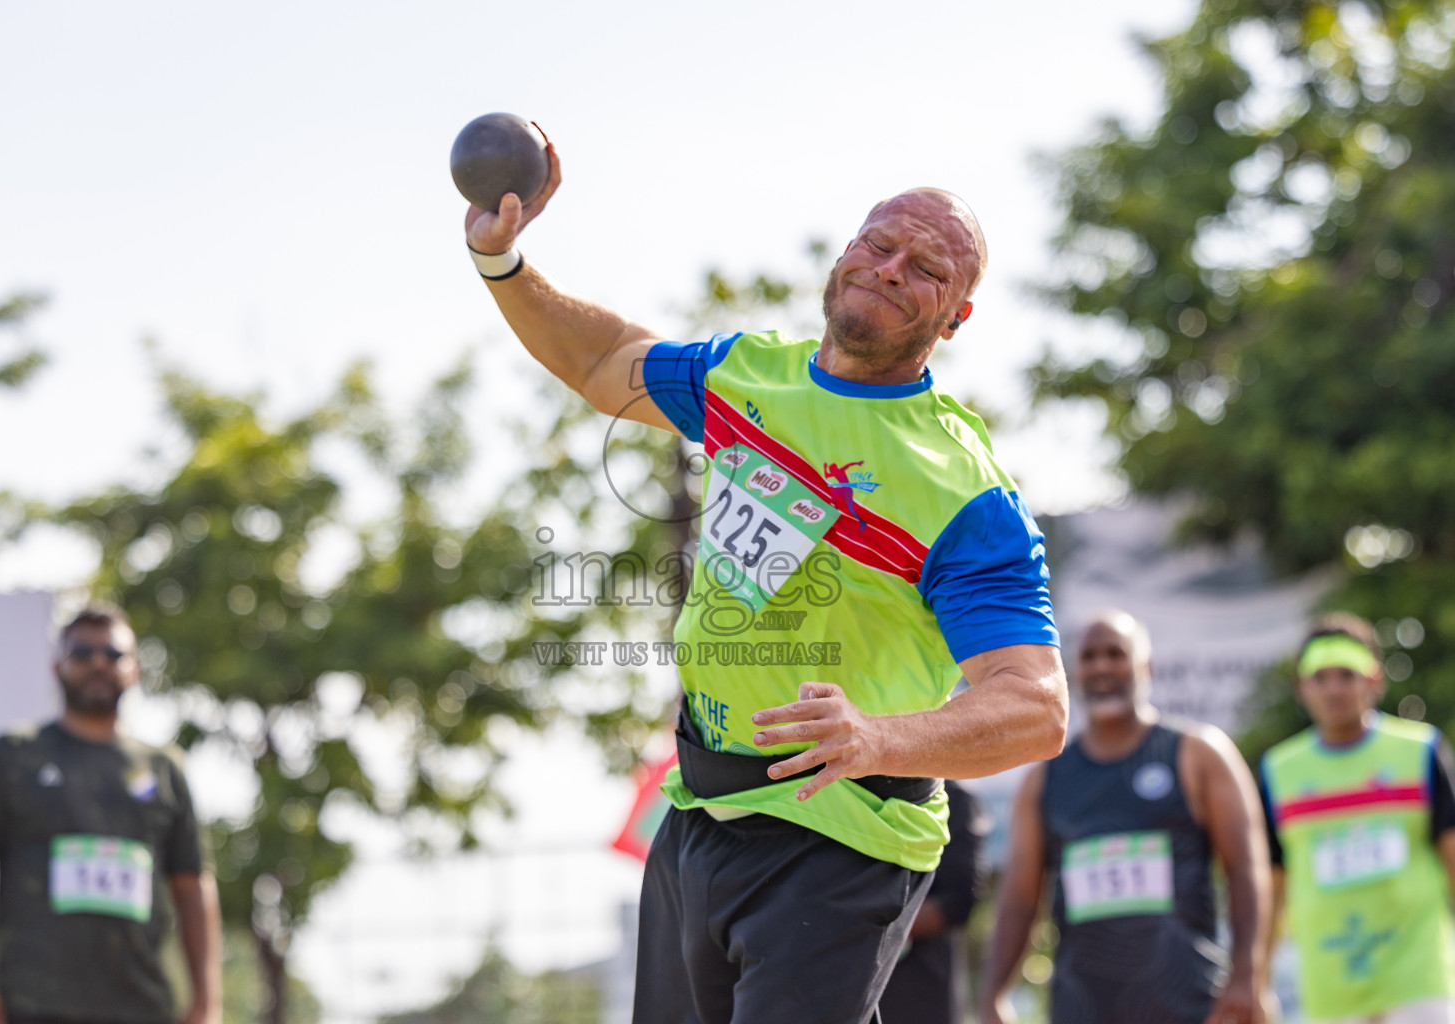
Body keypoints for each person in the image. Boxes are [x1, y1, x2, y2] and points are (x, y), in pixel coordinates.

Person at [464, 133, 1068, 1023]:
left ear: (955, 318)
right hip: (699, 813)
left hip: (842, 832)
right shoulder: (749, 377)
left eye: (927, 267)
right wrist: (501, 258)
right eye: (879, 242)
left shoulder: (964, 492)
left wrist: (877, 737)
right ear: (845, 253)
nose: (891, 268)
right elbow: (602, 364)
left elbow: (1036, 707)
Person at [980, 610, 1271, 1024]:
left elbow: (1246, 869)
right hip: (1081, 1008)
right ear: (1073, 671)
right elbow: (1020, 898)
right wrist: (994, 993)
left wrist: (1248, 976)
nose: (1101, 666)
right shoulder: (1045, 778)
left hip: (1188, 1003)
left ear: (1145, 666)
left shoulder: (1198, 753)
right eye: (1090, 656)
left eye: (1115, 654)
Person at [0, 606, 221, 1024]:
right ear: (57, 667)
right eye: (82, 653)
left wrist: (207, 1001)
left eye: (113, 655)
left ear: (135, 670)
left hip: (143, 1007)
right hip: (30, 1005)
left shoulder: (165, 770)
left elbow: (192, 888)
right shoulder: (10, 757)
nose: (98, 663)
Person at [1259, 613, 1455, 1024]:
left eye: (1346, 675)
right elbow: (1272, 887)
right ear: (1301, 687)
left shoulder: (1421, 751)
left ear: (1374, 680)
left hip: (1419, 979)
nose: (1334, 689)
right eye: (1320, 677)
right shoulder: (1278, 772)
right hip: (1331, 989)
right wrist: (1256, 979)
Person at [877, 779, 990, 1024]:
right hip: (853, 984)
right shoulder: (843, 789)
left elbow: (959, 901)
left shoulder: (951, 795)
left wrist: (875, 926)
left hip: (922, 989)